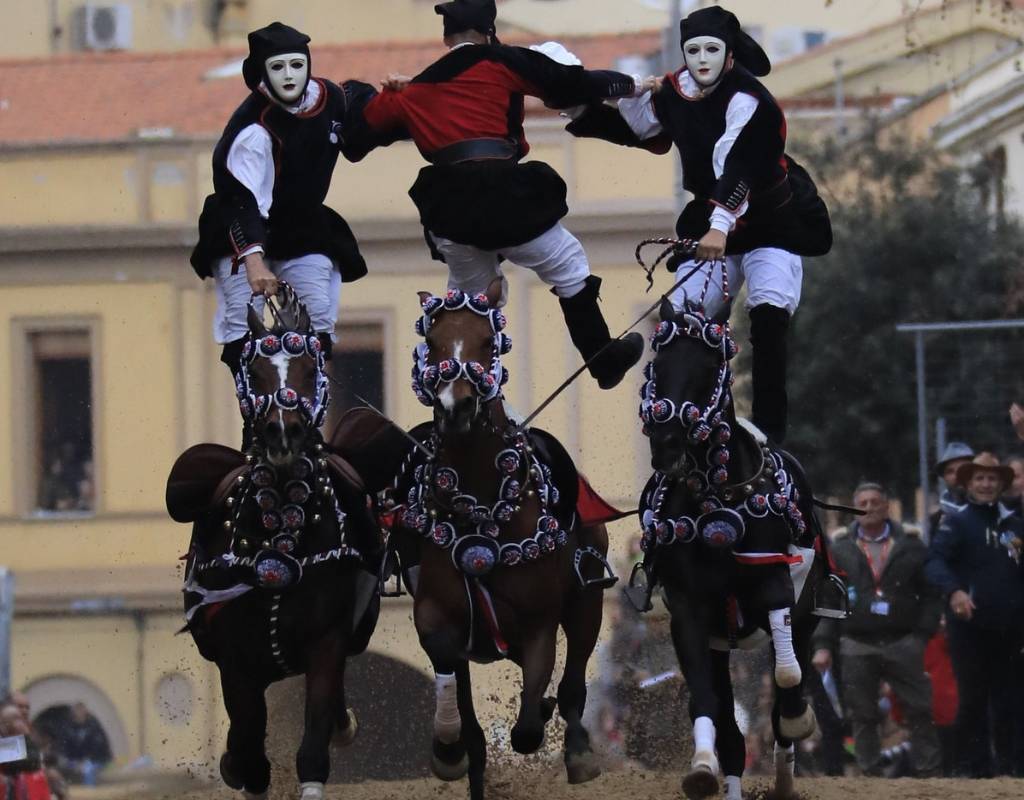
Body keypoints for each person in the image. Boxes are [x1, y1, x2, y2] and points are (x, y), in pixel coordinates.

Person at [357, 0, 656, 389]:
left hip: (450, 210)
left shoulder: (419, 86)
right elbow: (567, 83)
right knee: (567, 264)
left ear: (446, 38)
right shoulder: (499, 61)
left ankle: (457, 395)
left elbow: (363, 131)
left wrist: (394, 91)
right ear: (488, 33)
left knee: (469, 302)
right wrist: (633, 85)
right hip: (503, 196)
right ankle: (603, 360)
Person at [565, 5, 831, 441]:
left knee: (767, 316)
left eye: (712, 49)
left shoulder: (752, 100)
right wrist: (582, 111)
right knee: (682, 321)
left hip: (772, 222)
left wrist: (719, 227)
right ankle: (697, 421)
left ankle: (768, 433)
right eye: (693, 50)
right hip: (714, 222)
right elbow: (641, 129)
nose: (702, 59)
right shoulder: (674, 91)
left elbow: (739, 165)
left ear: (730, 55)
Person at [190, 22, 396, 390]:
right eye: (279, 67)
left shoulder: (331, 98)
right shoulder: (252, 131)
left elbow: (361, 122)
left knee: (317, 322)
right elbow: (242, 202)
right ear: (261, 74)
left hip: (303, 225)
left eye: (296, 65)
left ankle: (309, 414)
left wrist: (399, 100)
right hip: (242, 228)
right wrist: (254, 263)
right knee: (242, 325)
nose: (289, 76)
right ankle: (255, 415)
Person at [810, 482, 942, 776]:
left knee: (920, 709)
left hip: (904, 641)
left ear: (886, 507)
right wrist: (822, 645)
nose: (868, 507)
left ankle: (930, 774)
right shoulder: (840, 550)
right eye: (863, 502)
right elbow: (829, 600)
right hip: (856, 642)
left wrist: (922, 634)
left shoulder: (912, 546)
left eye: (875, 502)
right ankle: (868, 776)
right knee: (862, 713)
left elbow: (933, 593)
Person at [925, 453, 1024, 777]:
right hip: (970, 626)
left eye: (992, 478)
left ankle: (1011, 767)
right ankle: (975, 769)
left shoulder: (1014, 523)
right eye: (979, 478)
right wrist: (954, 591)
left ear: (1001, 484)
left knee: (1010, 697)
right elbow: (934, 562)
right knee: (973, 698)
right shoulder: (956, 522)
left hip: (1011, 627)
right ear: (968, 484)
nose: (986, 484)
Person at [929, 441, 974, 531]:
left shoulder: (995, 510)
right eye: (950, 472)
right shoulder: (937, 519)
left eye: (963, 469)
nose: (957, 475)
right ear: (944, 477)